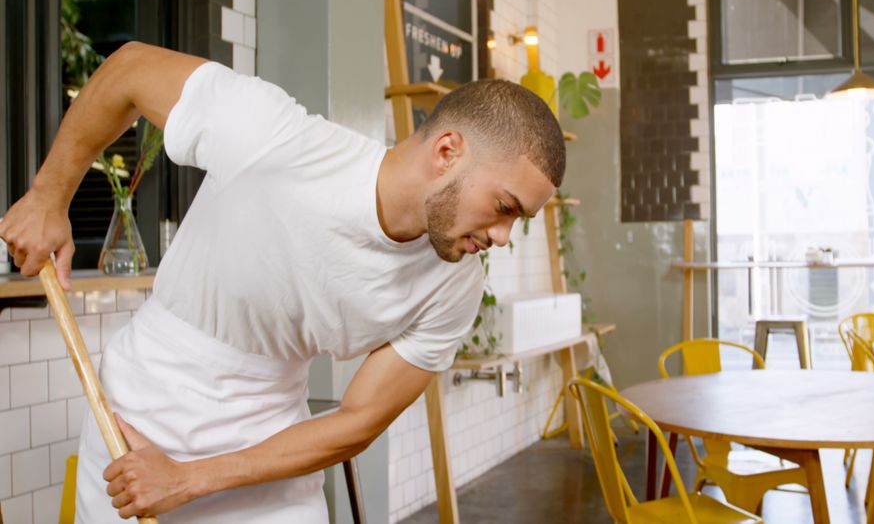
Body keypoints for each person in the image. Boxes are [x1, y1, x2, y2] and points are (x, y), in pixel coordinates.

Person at [0, 42, 564, 522]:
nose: (502, 236)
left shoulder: (454, 283)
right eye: (503, 207)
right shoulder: (272, 135)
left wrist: (192, 479)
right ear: (447, 152)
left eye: (519, 219)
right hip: (142, 413)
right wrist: (49, 196)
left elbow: (357, 420)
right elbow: (128, 68)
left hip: (269, 444)